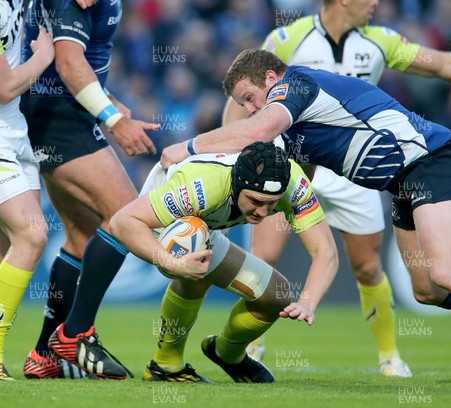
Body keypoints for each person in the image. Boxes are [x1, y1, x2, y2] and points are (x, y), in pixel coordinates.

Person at [161, 48, 451, 386]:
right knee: (427, 291)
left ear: (271, 78)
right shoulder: (290, 127)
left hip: (432, 158)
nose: (250, 109)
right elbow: (294, 179)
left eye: (249, 98)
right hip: (402, 182)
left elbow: (254, 133)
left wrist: (188, 147)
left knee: (448, 271)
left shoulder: (296, 84)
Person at [221, 0, 451, 377]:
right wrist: (231, 152)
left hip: (357, 163)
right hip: (297, 162)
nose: (375, 4)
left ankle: (389, 357)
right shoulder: (288, 38)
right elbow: (245, 103)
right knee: (264, 253)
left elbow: (445, 64)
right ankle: (253, 345)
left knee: (368, 267)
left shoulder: (382, 40)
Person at [109, 141, 338, 383]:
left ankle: (228, 354)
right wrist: (172, 263)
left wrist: (309, 301)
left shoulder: (293, 184)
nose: (262, 212)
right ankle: (166, 364)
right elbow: (122, 222)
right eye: (255, 201)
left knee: (276, 298)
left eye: (271, 204)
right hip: (161, 224)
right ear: (237, 186)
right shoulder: (201, 186)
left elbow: (326, 251)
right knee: (196, 249)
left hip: (208, 223)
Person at [20, 0, 158, 380]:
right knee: (128, 217)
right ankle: (76, 333)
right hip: (59, 116)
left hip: (57, 111)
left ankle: (44, 354)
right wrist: (113, 119)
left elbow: (80, 59)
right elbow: (67, 61)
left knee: (81, 239)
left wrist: (110, 102)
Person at [0, 0, 54, 381]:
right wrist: (44, 57)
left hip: (15, 133)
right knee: (33, 234)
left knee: (7, 247)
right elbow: (3, 88)